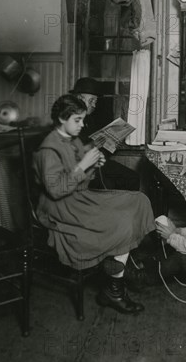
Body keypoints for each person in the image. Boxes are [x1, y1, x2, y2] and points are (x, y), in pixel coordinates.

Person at [32, 94, 156, 314]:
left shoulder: (72, 139)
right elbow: (55, 190)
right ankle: (114, 288)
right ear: (62, 119)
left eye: (82, 119)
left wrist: (91, 165)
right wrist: (83, 166)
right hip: (62, 207)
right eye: (77, 120)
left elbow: (80, 177)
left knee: (139, 200)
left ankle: (117, 264)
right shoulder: (48, 150)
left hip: (79, 197)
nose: (82, 124)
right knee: (123, 220)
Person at [70, 77, 141, 191]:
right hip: (84, 167)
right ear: (79, 99)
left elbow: (100, 148)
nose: (94, 105)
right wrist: (94, 144)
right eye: (92, 100)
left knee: (132, 177)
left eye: (95, 102)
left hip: (98, 162)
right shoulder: (70, 120)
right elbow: (72, 153)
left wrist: (112, 143)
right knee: (113, 183)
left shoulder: (90, 119)